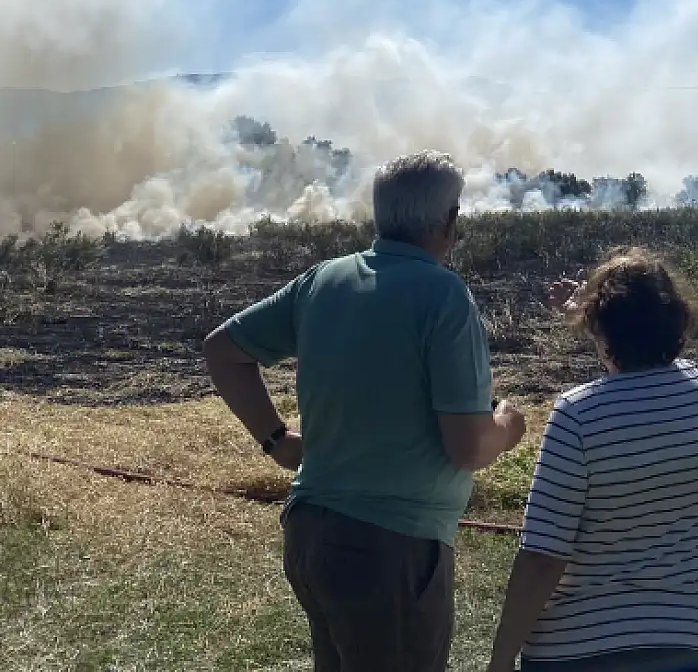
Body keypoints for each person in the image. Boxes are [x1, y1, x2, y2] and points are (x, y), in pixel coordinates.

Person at [203, 150, 527, 672]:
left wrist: (276, 440)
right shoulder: (444, 296)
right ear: (449, 221)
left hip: (311, 535)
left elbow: (223, 349)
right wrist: (508, 427)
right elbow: (467, 447)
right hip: (391, 548)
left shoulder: (322, 281)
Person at [487, 251, 698, 672]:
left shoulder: (576, 415)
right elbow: (639, 326)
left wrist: (501, 658)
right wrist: (585, 308)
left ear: (602, 331)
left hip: (582, 650)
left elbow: (543, 558)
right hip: (686, 641)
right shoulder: (692, 388)